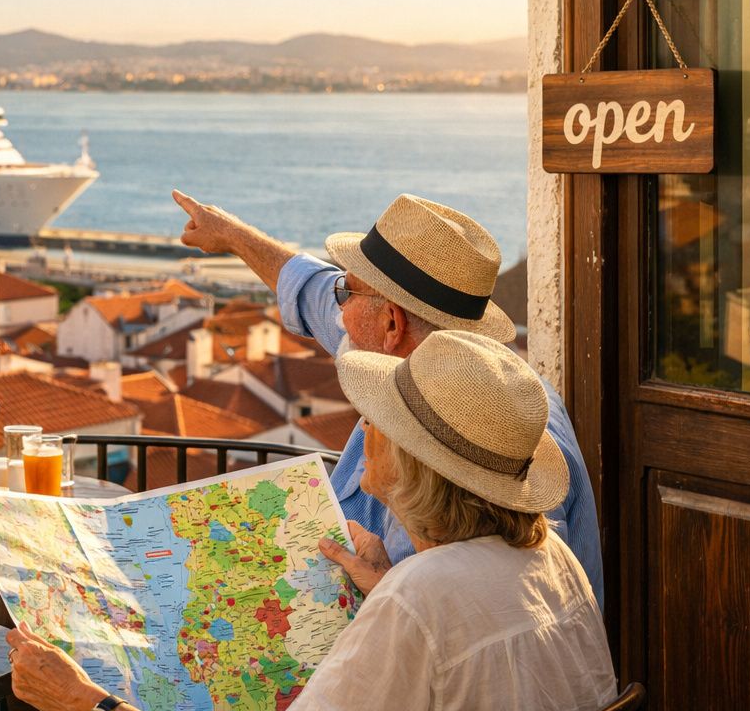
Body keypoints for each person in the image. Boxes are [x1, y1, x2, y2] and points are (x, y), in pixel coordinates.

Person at [0, 330, 617, 711]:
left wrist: (88, 706)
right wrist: (381, 587)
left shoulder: (424, 599)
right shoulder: (546, 561)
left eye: (373, 420)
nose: (360, 429)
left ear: (411, 461)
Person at [173, 190, 606, 607]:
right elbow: (313, 294)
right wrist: (229, 234)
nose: (338, 310)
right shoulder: (411, 358)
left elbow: (504, 622)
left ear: (392, 324)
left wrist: (383, 593)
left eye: (347, 292)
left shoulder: (484, 443)